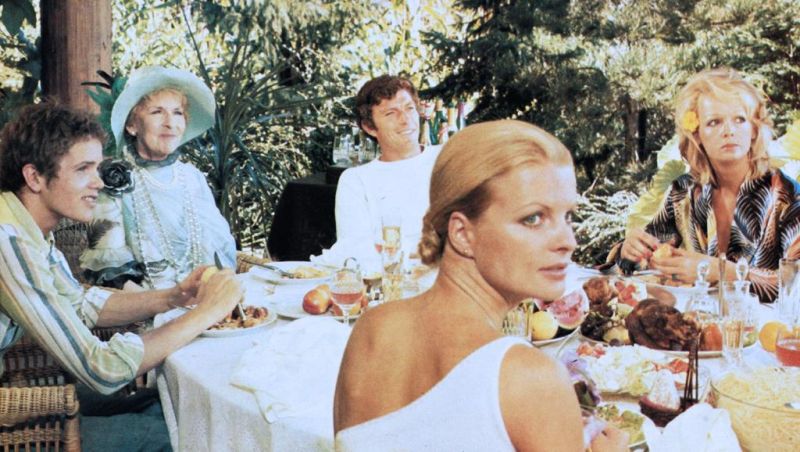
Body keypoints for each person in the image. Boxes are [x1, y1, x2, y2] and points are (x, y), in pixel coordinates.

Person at [333, 120, 627, 451]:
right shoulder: (530, 378)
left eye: (568, 216)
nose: (567, 241)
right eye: (533, 218)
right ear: (462, 233)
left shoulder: (372, 328)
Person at [0, 102, 243, 447]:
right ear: (34, 177)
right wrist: (207, 313)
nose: (98, 182)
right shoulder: (8, 240)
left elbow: (80, 304)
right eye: (83, 169)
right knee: (196, 436)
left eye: (97, 168)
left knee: (171, 404)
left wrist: (173, 297)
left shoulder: (29, 228)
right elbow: (101, 368)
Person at [620, 67, 800, 303]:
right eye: (714, 122)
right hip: (698, 322)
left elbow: (795, 284)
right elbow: (647, 263)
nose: (729, 131)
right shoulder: (683, 192)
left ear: (754, 129)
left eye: (740, 119)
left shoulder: (788, 195)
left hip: (766, 326)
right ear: (697, 134)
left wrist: (720, 271)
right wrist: (630, 251)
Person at [80, 66, 237, 290]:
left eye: (177, 113)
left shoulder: (192, 178)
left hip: (208, 297)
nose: (170, 123)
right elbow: (114, 279)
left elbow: (221, 256)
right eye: (157, 112)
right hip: (145, 305)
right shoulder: (114, 180)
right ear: (132, 125)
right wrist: (167, 302)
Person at [315, 75, 442, 267]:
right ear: (369, 127)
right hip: (393, 280)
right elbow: (354, 251)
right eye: (391, 113)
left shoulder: (446, 158)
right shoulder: (356, 180)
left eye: (409, 108)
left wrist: (389, 248)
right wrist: (428, 248)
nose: (405, 120)